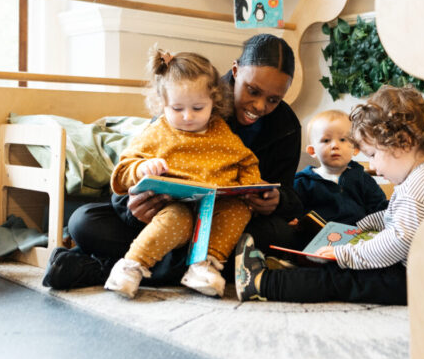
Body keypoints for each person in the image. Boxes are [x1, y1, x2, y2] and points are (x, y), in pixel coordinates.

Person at [43, 33, 303, 291]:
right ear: (235, 70)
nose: (259, 105)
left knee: (281, 235)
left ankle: (102, 267)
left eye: (273, 99)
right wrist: (133, 210)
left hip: (224, 223)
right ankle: (198, 268)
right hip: (167, 218)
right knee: (83, 222)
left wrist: (275, 200)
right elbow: (130, 172)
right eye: (253, 90)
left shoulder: (286, 126)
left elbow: (289, 193)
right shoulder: (192, 95)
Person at [234, 86, 424, 305]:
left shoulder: (416, 189)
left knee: (338, 279)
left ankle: (263, 283)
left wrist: (345, 254)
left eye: (373, 155)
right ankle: (292, 270)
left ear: (403, 142)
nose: (374, 167)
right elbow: (393, 215)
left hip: (416, 280)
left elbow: (398, 241)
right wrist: (361, 226)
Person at [101, 48, 263, 299]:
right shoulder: (158, 131)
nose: (188, 117)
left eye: (198, 108)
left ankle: (203, 266)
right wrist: (142, 168)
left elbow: (246, 161)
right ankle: (131, 266)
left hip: (215, 204)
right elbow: (122, 170)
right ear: (161, 104)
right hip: (174, 205)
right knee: (176, 219)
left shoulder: (220, 130)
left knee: (239, 211)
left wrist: (251, 185)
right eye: (177, 109)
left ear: (214, 102)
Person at [292, 109, 387, 239]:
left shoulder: (362, 178)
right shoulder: (302, 182)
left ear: (356, 148)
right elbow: (292, 212)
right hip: (318, 240)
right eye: (326, 140)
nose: (335, 145)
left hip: (358, 239)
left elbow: (380, 209)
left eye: (343, 139)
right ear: (312, 150)